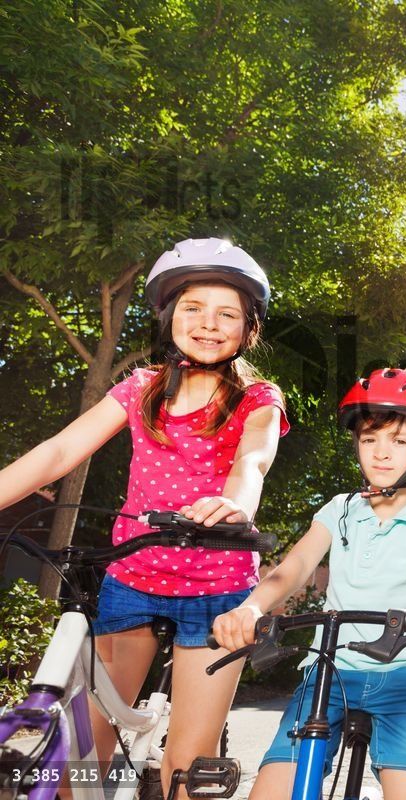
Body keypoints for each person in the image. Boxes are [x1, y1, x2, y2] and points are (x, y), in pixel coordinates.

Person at [0, 238, 288, 795]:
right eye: (192, 308)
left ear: (247, 328)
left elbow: (254, 457)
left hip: (217, 588)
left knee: (186, 764)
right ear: (168, 317)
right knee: (84, 756)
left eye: (227, 313)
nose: (208, 324)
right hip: (134, 577)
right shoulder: (141, 388)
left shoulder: (257, 397)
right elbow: (58, 454)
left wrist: (237, 504)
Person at [211, 368, 406, 800]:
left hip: (403, 675)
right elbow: (292, 568)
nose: (381, 453)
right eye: (369, 440)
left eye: (399, 441)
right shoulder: (339, 509)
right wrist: (252, 607)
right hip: (329, 672)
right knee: (272, 790)